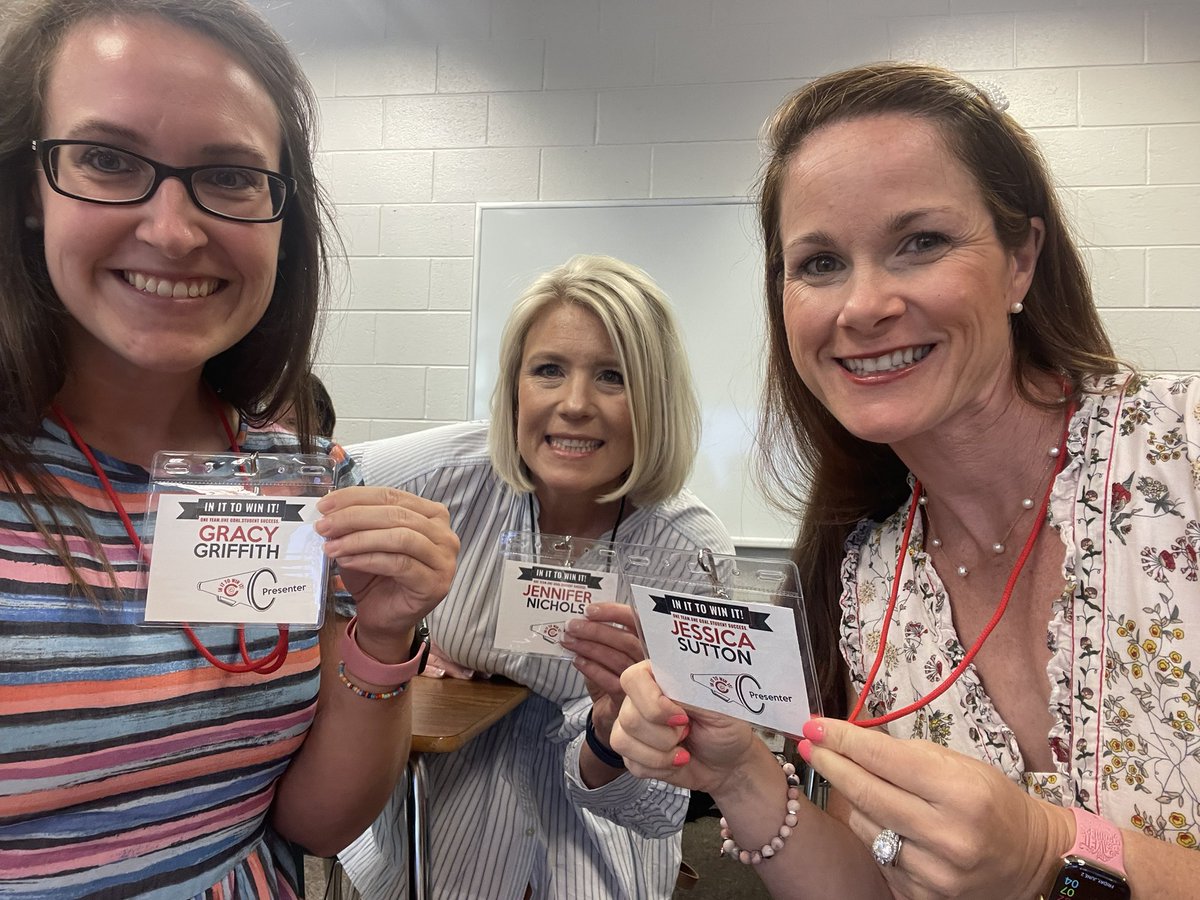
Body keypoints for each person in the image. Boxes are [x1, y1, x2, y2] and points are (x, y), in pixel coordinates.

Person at [612, 61, 1200, 899]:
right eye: (818, 263)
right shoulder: (872, 580)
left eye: (920, 242)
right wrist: (738, 772)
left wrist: (1055, 853)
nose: (862, 306)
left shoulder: (1183, 454)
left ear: (1022, 260)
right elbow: (881, 885)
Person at [0, 2, 457, 897]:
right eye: (105, 159)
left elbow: (313, 823)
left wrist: (385, 631)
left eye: (230, 175)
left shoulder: (311, 487)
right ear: (27, 191)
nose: (173, 229)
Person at [338, 254, 735, 899]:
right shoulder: (449, 478)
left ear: (654, 396)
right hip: (430, 843)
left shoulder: (685, 551)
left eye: (613, 377)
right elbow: (300, 506)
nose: (574, 405)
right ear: (515, 386)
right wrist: (386, 643)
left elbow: (662, 808)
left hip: (595, 857)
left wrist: (613, 735)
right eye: (548, 370)